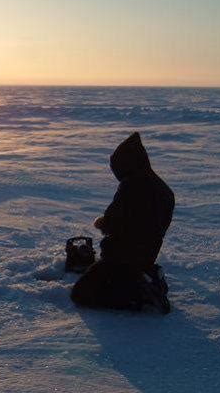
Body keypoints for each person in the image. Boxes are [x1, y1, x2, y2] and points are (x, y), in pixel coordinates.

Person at [71, 132, 175, 313]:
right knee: (125, 272)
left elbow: (112, 220)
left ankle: (140, 295)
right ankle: (148, 276)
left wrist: (102, 223)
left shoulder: (131, 186)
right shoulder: (163, 188)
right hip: (147, 255)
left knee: (81, 294)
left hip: (120, 258)